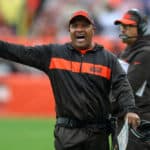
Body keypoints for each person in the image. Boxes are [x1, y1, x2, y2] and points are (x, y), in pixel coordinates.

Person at [0, 10, 140, 150]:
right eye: (75, 26)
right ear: (69, 30)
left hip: (98, 136)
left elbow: (122, 85)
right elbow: (20, 52)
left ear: (93, 29)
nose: (79, 29)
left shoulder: (107, 59)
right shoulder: (54, 54)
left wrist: (129, 109)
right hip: (67, 135)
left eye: (84, 25)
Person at [114, 8, 150, 150]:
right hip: (125, 117)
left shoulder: (145, 53)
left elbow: (128, 86)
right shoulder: (126, 52)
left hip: (138, 119)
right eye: (122, 26)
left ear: (141, 28)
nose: (123, 30)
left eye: (129, 26)